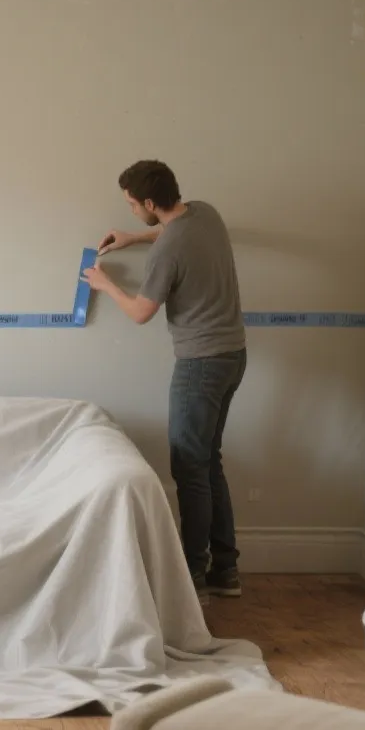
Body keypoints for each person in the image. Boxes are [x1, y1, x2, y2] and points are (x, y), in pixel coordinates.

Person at [83, 159, 247, 598]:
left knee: (189, 469)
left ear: (151, 202)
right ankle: (225, 569)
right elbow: (172, 231)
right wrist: (134, 237)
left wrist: (105, 284)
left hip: (199, 365)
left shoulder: (166, 251)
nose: (132, 211)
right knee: (208, 461)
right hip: (233, 356)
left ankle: (192, 574)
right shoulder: (205, 213)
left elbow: (140, 312)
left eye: (133, 206)